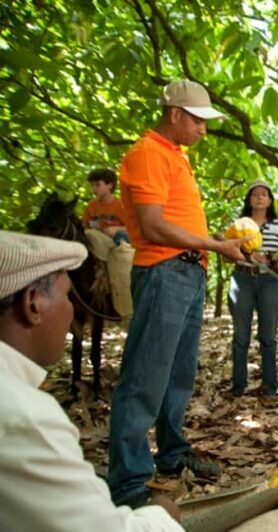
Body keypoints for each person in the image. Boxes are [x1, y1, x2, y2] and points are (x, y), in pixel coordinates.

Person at [108, 79, 248, 509]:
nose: (203, 130)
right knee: (145, 374)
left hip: (188, 271)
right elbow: (151, 227)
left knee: (178, 373)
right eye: (198, 121)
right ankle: (129, 478)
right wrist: (212, 245)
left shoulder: (176, 155)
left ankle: (171, 452)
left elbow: (178, 220)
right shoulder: (147, 153)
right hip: (163, 271)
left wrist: (215, 246)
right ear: (175, 114)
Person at [0, 230, 181, 531]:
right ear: (33, 303)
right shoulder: (26, 416)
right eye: (67, 296)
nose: (72, 308)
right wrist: (161, 515)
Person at [228, 180, 278, 397]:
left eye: (264, 194)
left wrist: (273, 259)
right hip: (242, 279)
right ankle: (238, 387)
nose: (259, 197)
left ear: (270, 200)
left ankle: (270, 386)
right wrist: (246, 255)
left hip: (269, 282)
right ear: (249, 200)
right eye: (255, 194)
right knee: (241, 336)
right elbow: (226, 253)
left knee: (268, 336)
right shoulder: (238, 224)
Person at [82, 168, 130, 244]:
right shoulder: (91, 206)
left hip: (116, 243)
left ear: (110, 185)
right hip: (95, 241)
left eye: (98, 185)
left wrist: (116, 229)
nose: (94, 189)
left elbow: (133, 229)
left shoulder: (121, 205)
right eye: (92, 185)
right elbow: (84, 226)